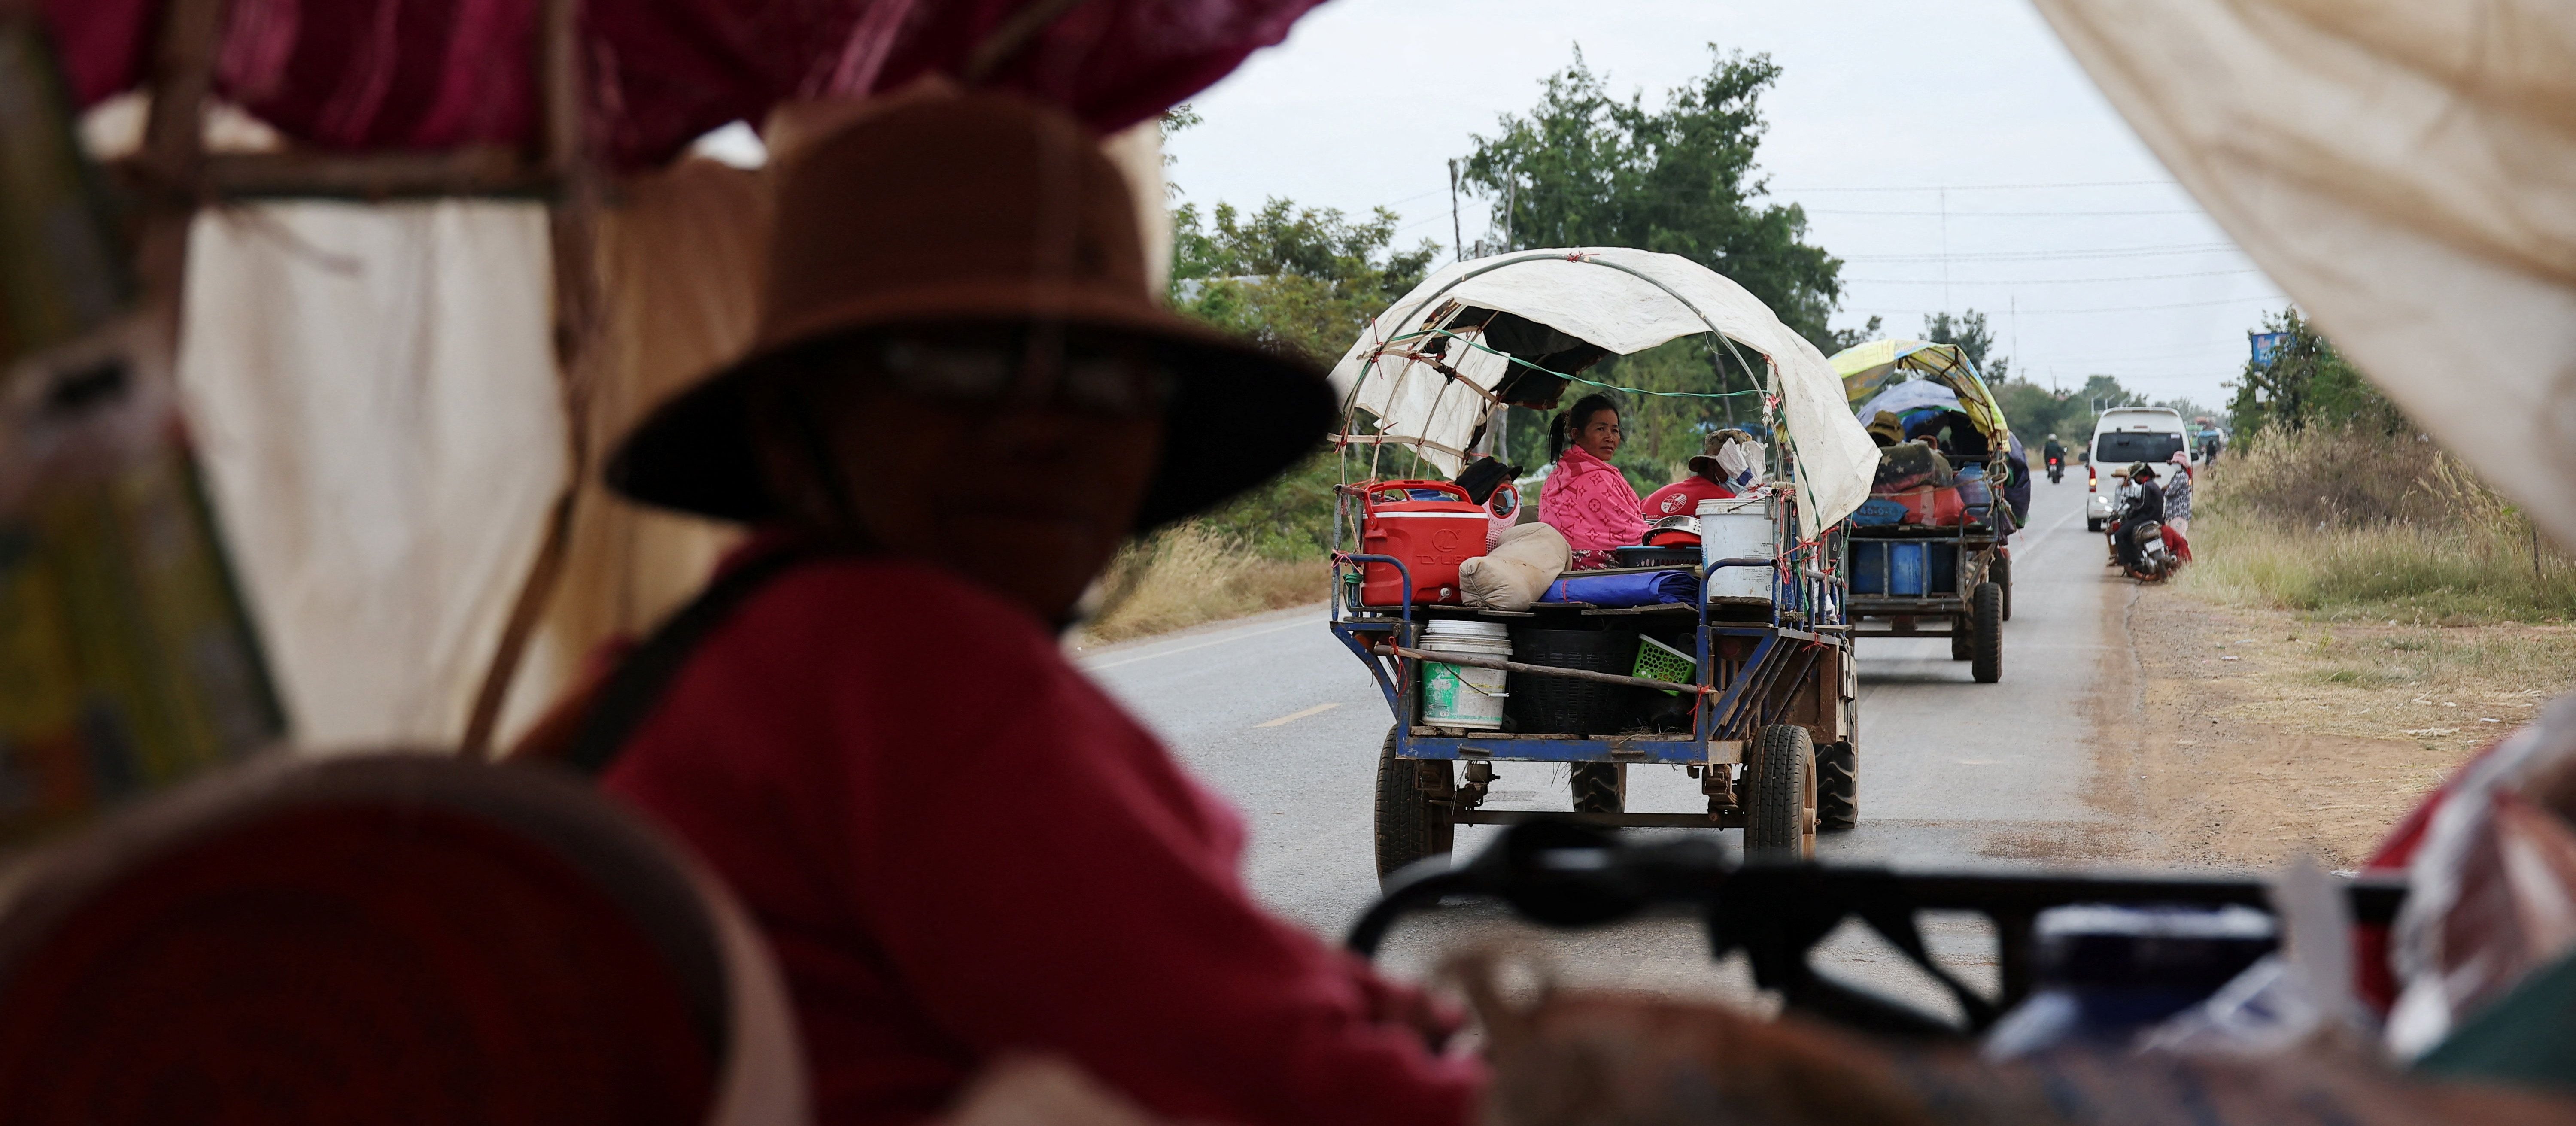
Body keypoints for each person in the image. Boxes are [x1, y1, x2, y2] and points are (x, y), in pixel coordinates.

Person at [546, 85, 1481, 1126]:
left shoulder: (721, 648)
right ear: (790, 428)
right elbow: (1261, 1068)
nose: (1048, 431)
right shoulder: (908, 659)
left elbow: (1202, 975)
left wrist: (1389, 1008)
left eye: (1107, 378)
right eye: (960, 362)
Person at [1537, 392, 1646, 568]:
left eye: (1615, 430)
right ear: (1576, 435)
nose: (1610, 437)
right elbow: (1634, 535)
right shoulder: (1600, 479)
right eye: (1600, 429)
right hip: (1596, 567)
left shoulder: (1556, 476)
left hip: (1557, 566)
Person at [1639, 428, 1756, 519]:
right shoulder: (1729, 504)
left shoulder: (1650, 499)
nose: (1741, 475)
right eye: (1735, 467)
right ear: (1713, 465)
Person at [2112, 461, 2166, 571]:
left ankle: (2131, 562)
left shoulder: (2147, 486)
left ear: (2140, 476)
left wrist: (2133, 509)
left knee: (2120, 535)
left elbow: (2143, 506)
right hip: (2156, 517)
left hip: (2147, 518)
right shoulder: (2153, 485)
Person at [2163, 450, 2195, 536]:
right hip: (2178, 514)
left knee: (2178, 537)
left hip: (2178, 514)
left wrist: (2165, 489)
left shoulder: (2181, 476)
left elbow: (2170, 492)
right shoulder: (2182, 475)